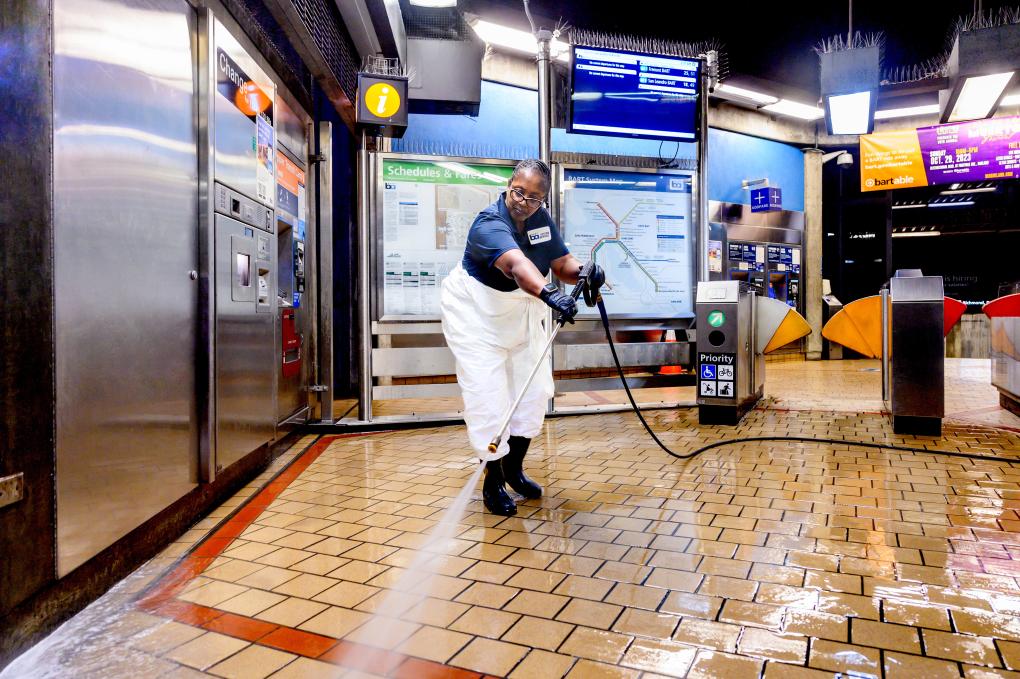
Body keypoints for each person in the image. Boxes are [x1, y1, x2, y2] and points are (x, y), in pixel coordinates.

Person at [440, 159, 605, 516]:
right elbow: (518, 266)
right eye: (519, 192)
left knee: (532, 395)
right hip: (477, 317)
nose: (523, 202)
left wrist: (585, 272)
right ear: (508, 185)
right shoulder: (489, 222)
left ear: (543, 200)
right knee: (490, 400)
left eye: (534, 198)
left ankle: (514, 470)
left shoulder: (539, 219)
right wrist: (550, 295)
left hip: (521, 313)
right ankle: (493, 481)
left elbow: (560, 262)